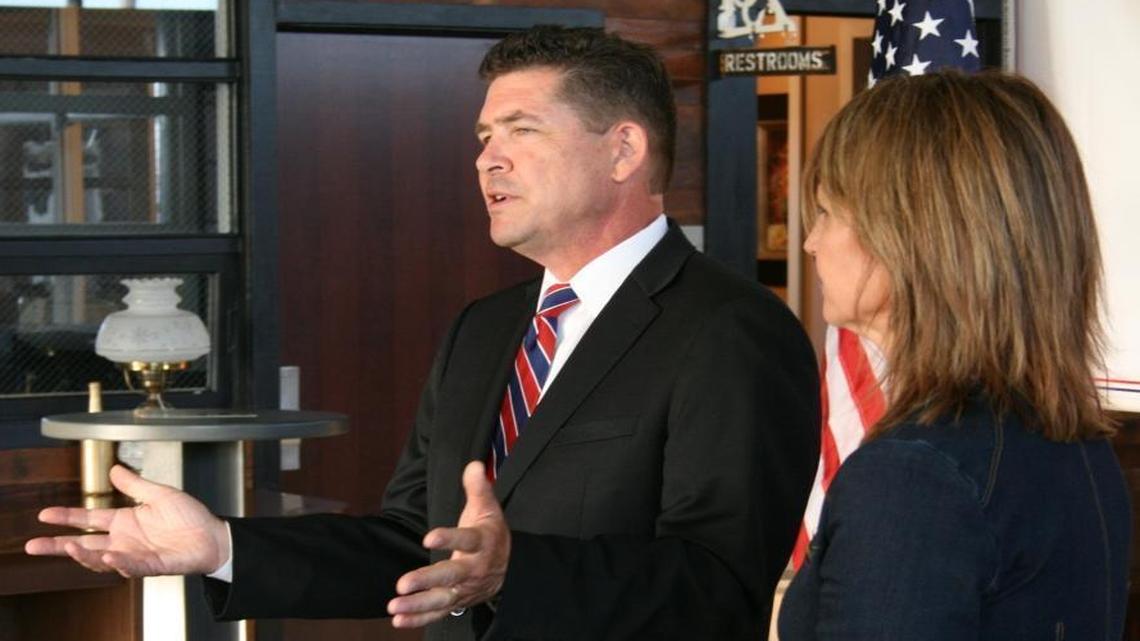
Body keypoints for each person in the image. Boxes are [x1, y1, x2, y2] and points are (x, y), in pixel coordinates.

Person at [27, 26, 820, 640]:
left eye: (521, 130)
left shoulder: (731, 329)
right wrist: (223, 547)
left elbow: (718, 587)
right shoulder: (484, 328)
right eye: (483, 136)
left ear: (623, 150)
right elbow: (413, 544)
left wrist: (514, 570)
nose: (487, 160)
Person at [777, 70, 1130, 640]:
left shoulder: (914, 475)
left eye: (826, 212)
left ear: (910, 236)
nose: (810, 242)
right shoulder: (1062, 436)